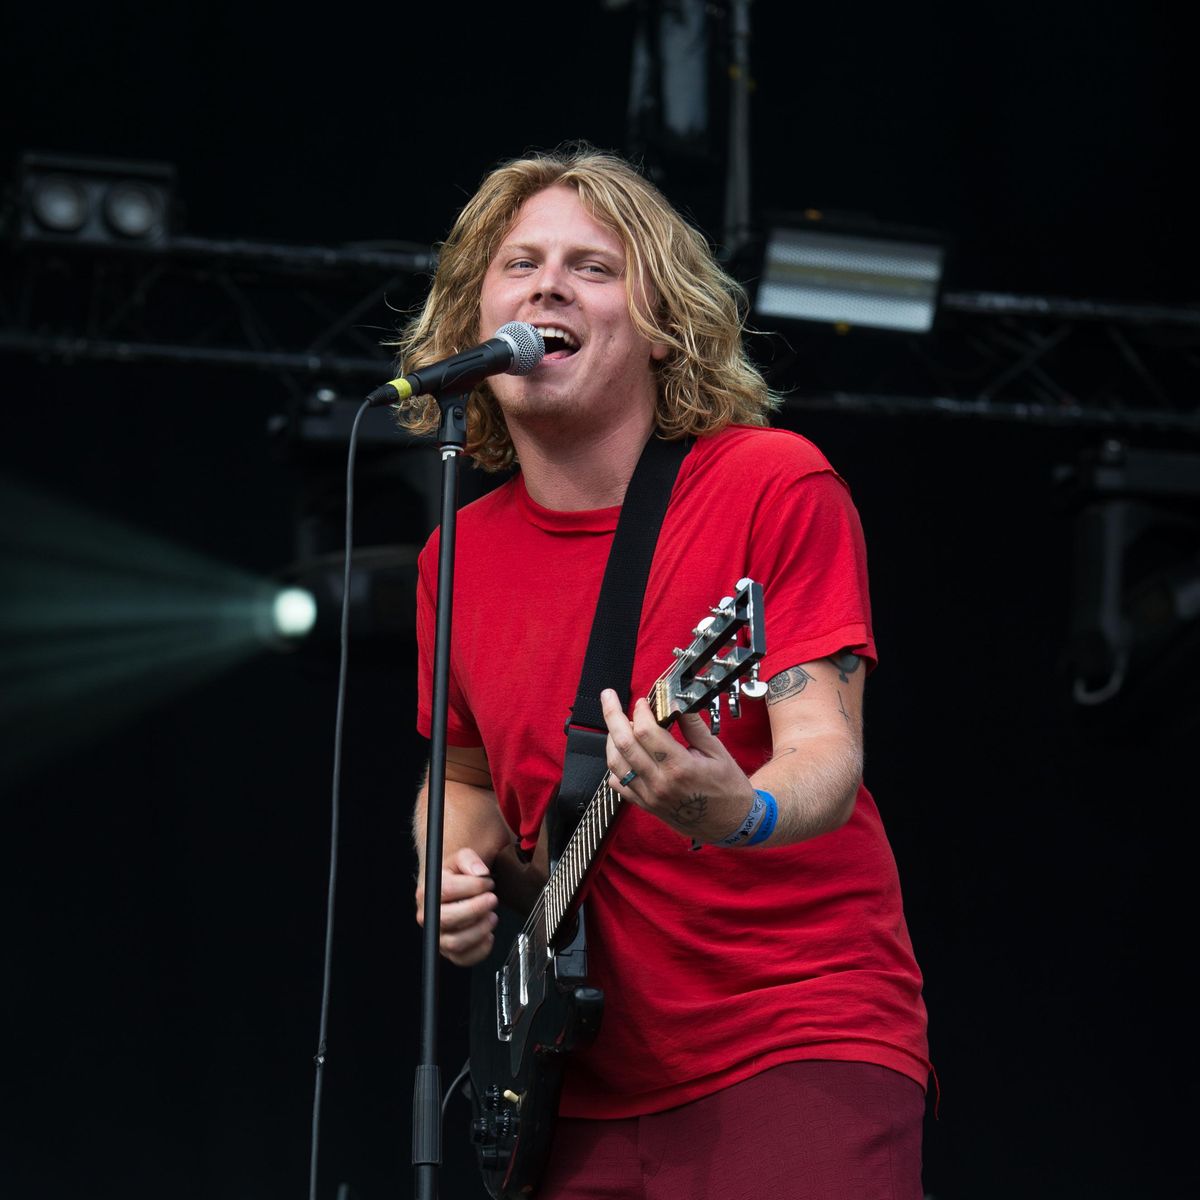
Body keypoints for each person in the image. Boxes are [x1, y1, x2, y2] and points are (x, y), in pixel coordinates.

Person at [398, 145, 930, 1200]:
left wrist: (742, 811)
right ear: (471, 320)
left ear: (662, 327)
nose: (548, 285)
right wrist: (447, 867)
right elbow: (460, 777)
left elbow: (824, 751)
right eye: (520, 264)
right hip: (572, 1077)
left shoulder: (770, 483)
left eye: (592, 267)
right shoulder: (452, 557)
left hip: (793, 1033)